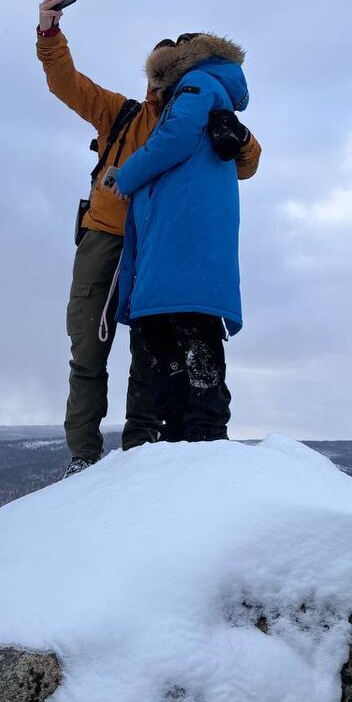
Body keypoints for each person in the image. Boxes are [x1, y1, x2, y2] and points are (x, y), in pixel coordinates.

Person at [36, 0, 261, 475]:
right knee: (89, 350)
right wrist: (50, 34)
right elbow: (67, 84)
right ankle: (84, 456)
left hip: (156, 246)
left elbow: (248, 161)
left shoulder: (196, 110)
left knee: (149, 349)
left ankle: (141, 447)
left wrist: (239, 140)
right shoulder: (123, 115)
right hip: (108, 237)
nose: (160, 86)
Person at [111, 32, 251, 442]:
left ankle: (201, 437)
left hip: (183, 248)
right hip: (180, 249)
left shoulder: (197, 86)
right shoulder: (205, 89)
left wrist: (127, 175)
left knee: (190, 338)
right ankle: (182, 436)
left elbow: (173, 139)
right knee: (176, 345)